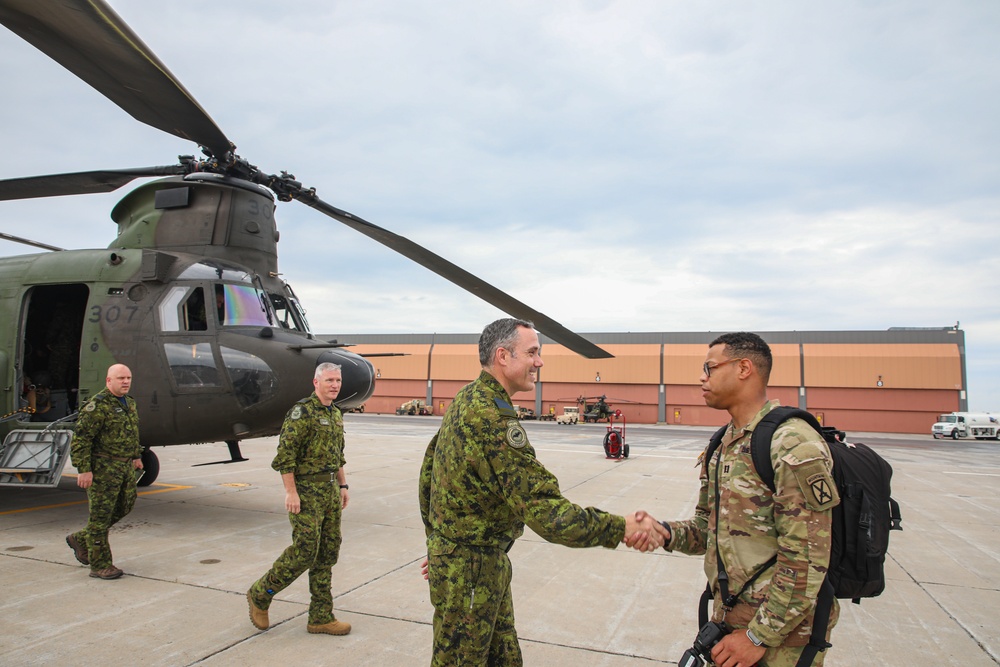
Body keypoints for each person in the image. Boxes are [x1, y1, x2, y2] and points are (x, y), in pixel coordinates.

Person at [419, 317, 668, 666]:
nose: (540, 361)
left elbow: (431, 472)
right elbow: (546, 511)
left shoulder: (467, 398)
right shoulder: (491, 418)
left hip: (476, 562)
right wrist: (621, 527)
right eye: (532, 352)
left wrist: (440, 540)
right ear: (503, 356)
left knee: (504, 658)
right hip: (470, 569)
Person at [658, 333, 840, 667]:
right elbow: (706, 529)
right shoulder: (723, 443)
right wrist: (663, 532)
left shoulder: (792, 443)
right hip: (732, 624)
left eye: (709, 367)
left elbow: (807, 557)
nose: (702, 377)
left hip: (780, 639)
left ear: (744, 368)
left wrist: (759, 636)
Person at [247, 362, 352, 636]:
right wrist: (291, 491)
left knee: (327, 553)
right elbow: (285, 457)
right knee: (305, 551)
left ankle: (320, 616)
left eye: (338, 380)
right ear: (316, 382)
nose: (335, 385)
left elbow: (337, 454)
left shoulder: (336, 413)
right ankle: (261, 592)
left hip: (329, 492)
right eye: (329, 380)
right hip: (306, 492)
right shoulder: (302, 412)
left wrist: (343, 485)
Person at [66, 364, 143, 580]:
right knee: (100, 517)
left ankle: (82, 538)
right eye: (121, 378)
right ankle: (100, 565)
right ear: (109, 381)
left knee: (126, 505)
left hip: (124, 466)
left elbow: (132, 431)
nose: (126, 381)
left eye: (128, 377)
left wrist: (136, 456)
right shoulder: (97, 406)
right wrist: (84, 469)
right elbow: (82, 439)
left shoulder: (129, 403)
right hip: (103, 469)